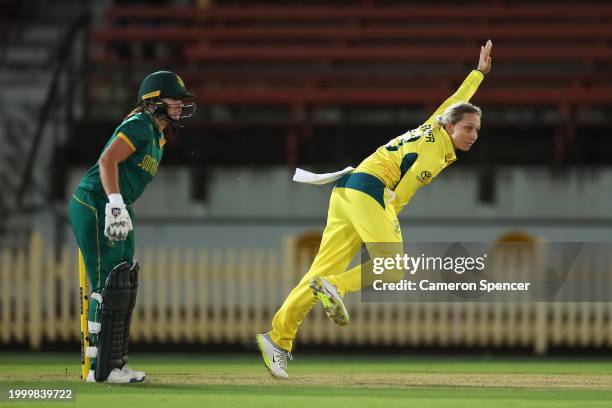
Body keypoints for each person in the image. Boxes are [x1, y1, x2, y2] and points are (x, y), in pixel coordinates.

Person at [256, 41, 493, 379]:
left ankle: (277, 339)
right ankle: (337, 286)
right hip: (369, 192)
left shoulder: (436, 123)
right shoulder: (431, 153)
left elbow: (457, 99)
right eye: (469, 129)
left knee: (316, 275)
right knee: (393, 266)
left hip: (346, 189)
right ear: (450, 127)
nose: (473, 135)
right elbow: (399, 196)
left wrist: (479, 74)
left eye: (477, 130)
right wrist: (385, 225)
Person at [68, 71, 195, 383]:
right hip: (96, 202)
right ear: (153, 101)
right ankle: (100, 368)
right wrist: (113, 202)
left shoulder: (158, 137)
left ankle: (114, 362)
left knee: (123, 280)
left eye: (181, 99)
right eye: (173, 98)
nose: (179, 104)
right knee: (107, 284)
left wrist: (121, 207)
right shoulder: (139, 124)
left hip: (116, 205)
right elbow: (107, 161)